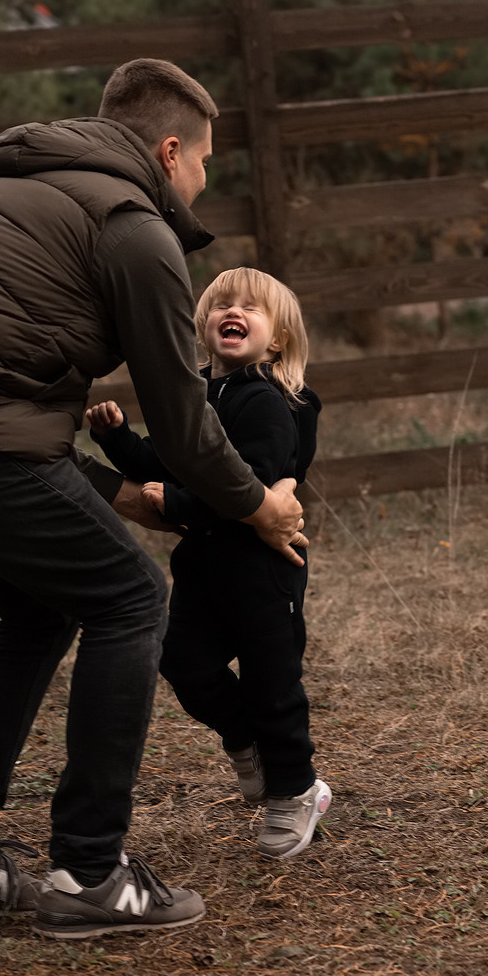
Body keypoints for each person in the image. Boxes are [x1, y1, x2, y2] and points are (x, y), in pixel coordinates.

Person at [0, 59, 307, 940]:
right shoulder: (133, 227)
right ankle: (89, 871)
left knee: (41, 607)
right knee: (131, 599)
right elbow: (184, 424)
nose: (201, 182)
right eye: (203, 163)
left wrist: (118, 493)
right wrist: (256, 507)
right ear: (170, 151)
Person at [86, 266, 330, 859]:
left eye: (251, 306)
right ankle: (244, 737)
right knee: (183, 660)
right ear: (202, 326)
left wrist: (179, 503)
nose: (233, 311)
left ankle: (296, 791)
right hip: (203, 565)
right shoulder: (194, 394)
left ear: (277, 339)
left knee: (273, 684)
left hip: (263, 568)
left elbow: (248, 484)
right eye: (222, 303)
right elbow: (168, 462)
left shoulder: (267, 402)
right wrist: (118, 442)